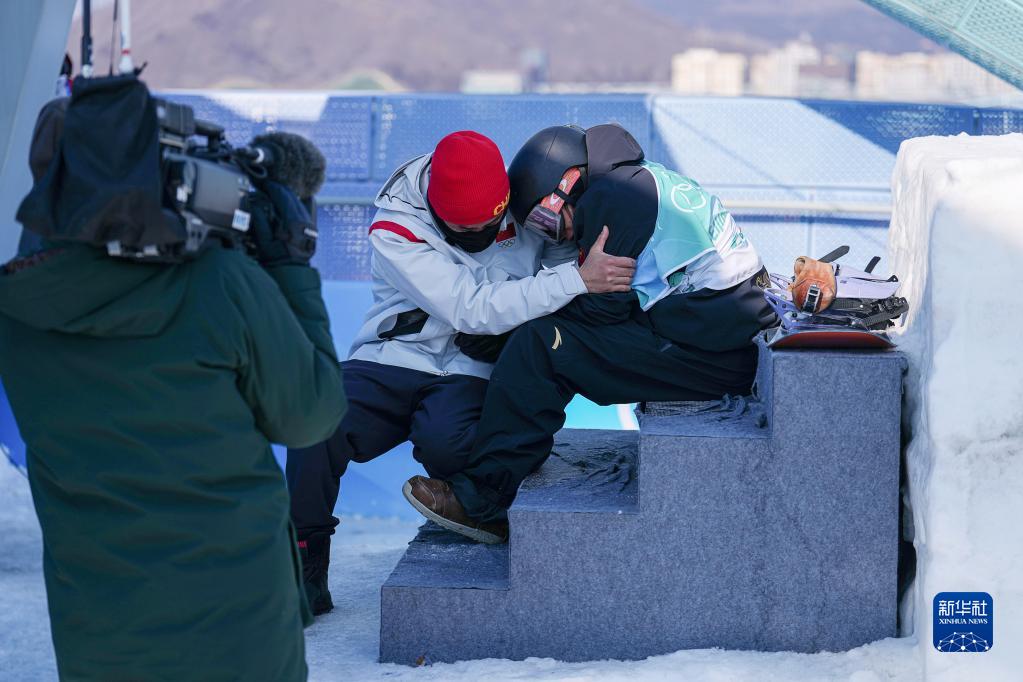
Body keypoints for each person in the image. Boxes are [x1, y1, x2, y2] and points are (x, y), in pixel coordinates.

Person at [0, 99, 345, 681]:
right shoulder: (219, 282)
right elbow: (310, 414)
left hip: (99, 633)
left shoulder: (18, 312)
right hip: (242, 627)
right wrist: (290, 270)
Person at [286, 130, 636, 613]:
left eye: (492, 225)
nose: (482, 236)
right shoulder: (395, 227)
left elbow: (558, 267)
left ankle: (491, 513)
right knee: (315, 422)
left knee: (450, 445)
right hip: (397, 355)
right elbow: (470, 308)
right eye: (464, 230)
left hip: (472, 366)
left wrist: (521, 327)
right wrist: (574, 280)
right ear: (435, 209)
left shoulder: (529, 201)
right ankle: (304, 567)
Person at [403, 123, 779, 543]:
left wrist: (509, 331)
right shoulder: (636, 178)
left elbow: (603, 310)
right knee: (545, 337)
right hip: (716, 335)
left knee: (541, 347)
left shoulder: (611, 198)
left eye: (545, 219)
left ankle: (484, 502)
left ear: (568, 183)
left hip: (711, 355)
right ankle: (501, 464)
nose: (554, 234)